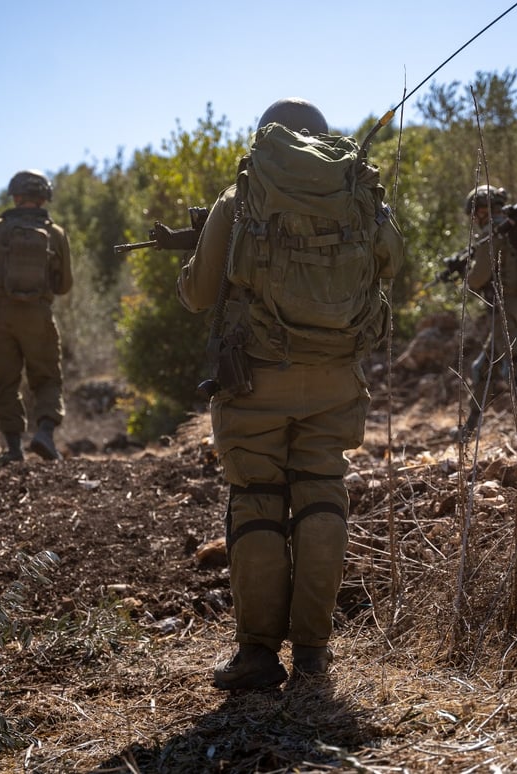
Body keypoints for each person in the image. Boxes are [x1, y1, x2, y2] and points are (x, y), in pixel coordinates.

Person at [177, 98, 404, 689]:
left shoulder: (245, 193)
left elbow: (200, 295)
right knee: (322, 495)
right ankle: (313, 653)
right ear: (323, 137)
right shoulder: (358, 189)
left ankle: (256, 655)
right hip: (335, 378)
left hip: (258, 377)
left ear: (266, 136)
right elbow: (394, 260)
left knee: (257, 499)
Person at [0, 170, 73, 464]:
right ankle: (44, 433)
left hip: (1, 317)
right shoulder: (56, 234)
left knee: (4, 382)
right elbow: (64, 285)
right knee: (46, 379)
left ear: (15, 196)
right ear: (44, 196)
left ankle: (14, 448)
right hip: (39, 317)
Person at [450, 184, 517, 439]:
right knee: (486, 366)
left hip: (504, 306)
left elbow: (478, 279)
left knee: (514, 361)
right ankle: (471, 424)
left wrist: (465, 274)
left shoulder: (492, 235)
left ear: (483, 210)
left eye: (476, 213)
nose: (474, 219)